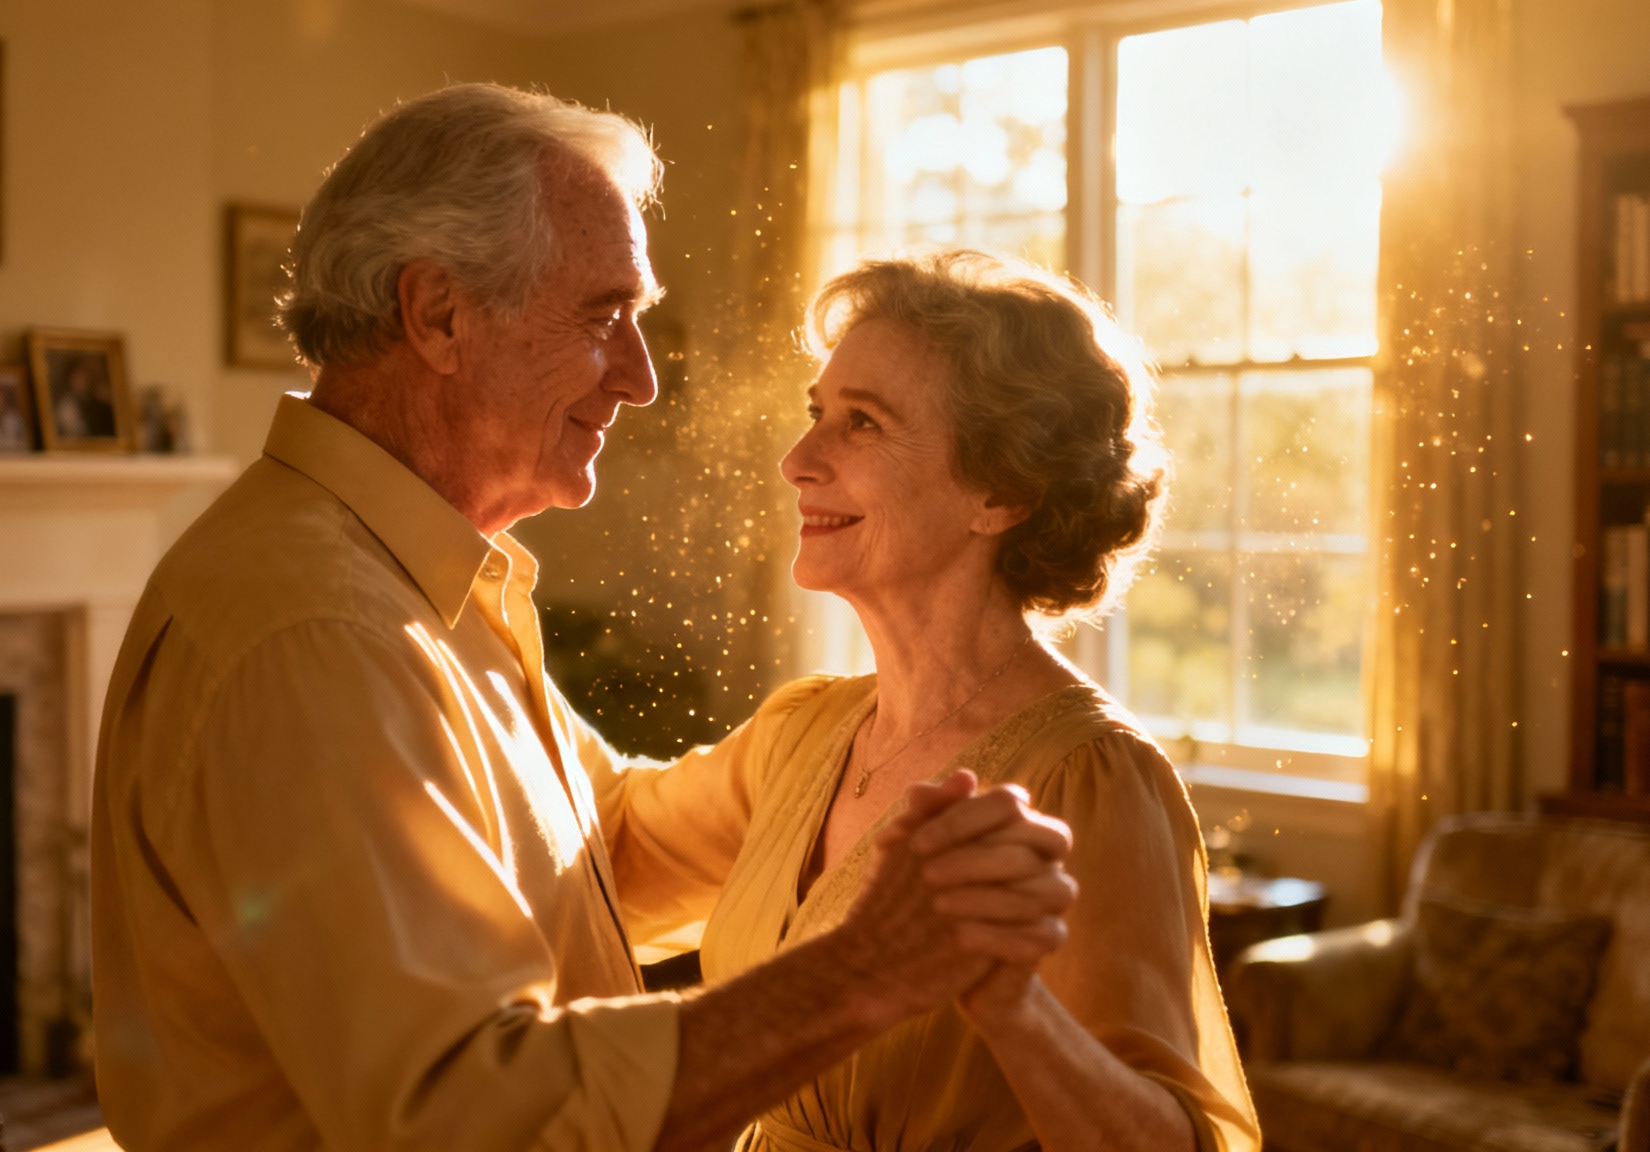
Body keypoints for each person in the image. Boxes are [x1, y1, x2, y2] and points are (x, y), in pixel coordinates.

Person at [89, 84, 1076, 1152]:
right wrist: (867, 970)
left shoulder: (415, 582)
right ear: (438, 315)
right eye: (602, 316)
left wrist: (842, 746)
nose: (640, 379)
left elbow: (590, 858)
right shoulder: (321, 633)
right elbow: (472, 1118)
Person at [598, 252, 1261, 1151]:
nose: (798, 461)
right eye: (815, 415)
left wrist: (1015, 1009)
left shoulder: (1088, 780)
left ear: (1001, 491)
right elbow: (599, 856)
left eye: (862, 423)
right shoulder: (804, 733)